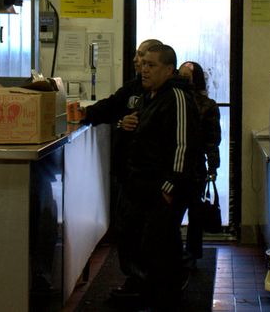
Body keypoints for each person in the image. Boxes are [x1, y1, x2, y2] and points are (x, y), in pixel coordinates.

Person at [114, 44, 200, 310]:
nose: (144, 70)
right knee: (140, 240)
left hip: (162, 186)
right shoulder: (152, 95)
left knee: (159, 245)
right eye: (144, 64)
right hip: (142, 183)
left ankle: (166, 296)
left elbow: (184, 144)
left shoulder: (177, 96)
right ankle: (149, 291)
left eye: (151, 65)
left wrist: (170, 185)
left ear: (168, 69)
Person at [81, 38, 162, 290]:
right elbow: (109, 107)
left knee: (144, 232)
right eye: (139, 57)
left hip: (152, 175)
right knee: (127, 229)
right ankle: (137, 279)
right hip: (128, 170)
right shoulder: (133, 88)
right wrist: (80, 115)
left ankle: (148, 281)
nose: (139, 62)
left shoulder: (169, 95)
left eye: (146, 59)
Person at [178, 60, 221, 268]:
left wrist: (213, 168)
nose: (183, 81)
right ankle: (182, 253)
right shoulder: (175, 101)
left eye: (187, 77)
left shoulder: (206, 106)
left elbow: (213, 139)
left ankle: (192, 254)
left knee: (195, 214)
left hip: (195, 166)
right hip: (182, 166)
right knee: (179, 213)